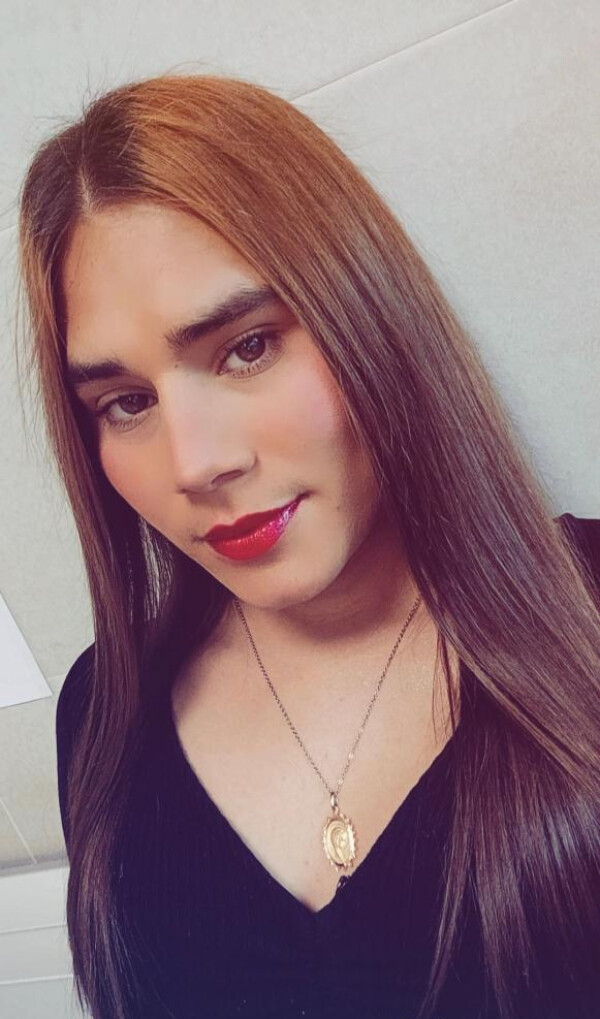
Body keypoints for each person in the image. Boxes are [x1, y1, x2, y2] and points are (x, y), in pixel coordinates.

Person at [16, 73, 600, 1019]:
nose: (197, 462)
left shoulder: (587, 615)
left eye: (246, 347)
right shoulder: (102, 715)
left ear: (367, 311)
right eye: (126, 403)